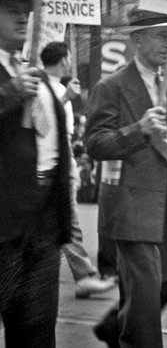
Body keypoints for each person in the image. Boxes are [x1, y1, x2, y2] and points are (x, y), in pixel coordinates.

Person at [86, 8, 167, 348]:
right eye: (160, 35)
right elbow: (95, 144)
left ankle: (114, 329)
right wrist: (137, 130)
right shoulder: (110, 87)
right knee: (144, 299)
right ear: (136, 39)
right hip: (132, 204)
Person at [0, 0, 73, 346]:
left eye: (25, 12)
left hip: (42, 227)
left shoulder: (40, 79)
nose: (22, 18)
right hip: (2, 227)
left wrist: (62, 221)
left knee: (37, 329)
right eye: (10, 11)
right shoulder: (13, 82)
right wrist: (8, 95)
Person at [40, 42, 117, 299]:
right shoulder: (39, 86)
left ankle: (83, 275)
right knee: (66, 221)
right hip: (48, 166)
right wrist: (65, 99)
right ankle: (84, 276)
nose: (72, 62)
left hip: (62, 162)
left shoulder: (61, 87)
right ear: (63, 59)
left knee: (62, 223)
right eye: (70, 57)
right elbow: (41, 124)